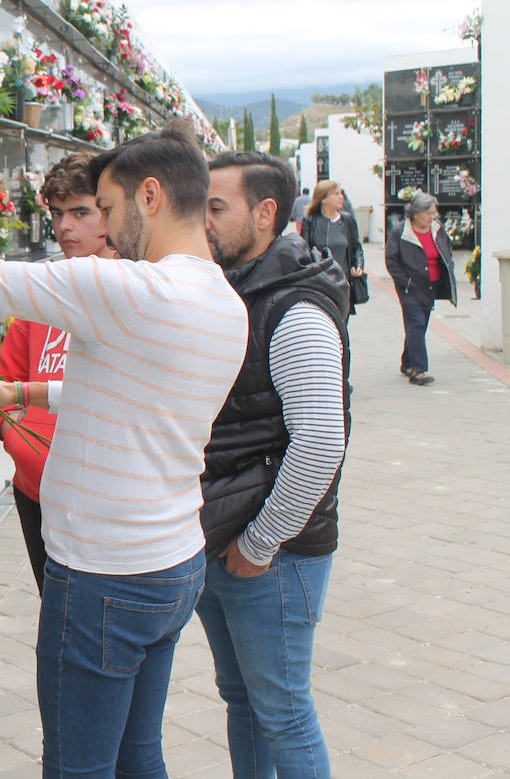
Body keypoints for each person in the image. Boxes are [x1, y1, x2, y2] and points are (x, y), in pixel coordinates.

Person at [0, 118, 247, 778]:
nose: (106, 231)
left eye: (107, 209)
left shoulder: (134, 289)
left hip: (103, 575)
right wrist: (23, 392)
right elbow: (132, 396)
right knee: (138, 753)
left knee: (77, 767)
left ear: (150, 196)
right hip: (173, 562)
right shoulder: (223, 302)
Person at [199, 151, 350, 778]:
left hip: (274, 552)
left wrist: (261, 544)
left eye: (215, 206)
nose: (201, 220)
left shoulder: (295, 309)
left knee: (283, 712)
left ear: (265, 214)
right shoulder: (239, 289)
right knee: (244, 702)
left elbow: (319, 442)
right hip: (227, 532)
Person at [0, 153, 116, 591]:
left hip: (99, 493)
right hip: (34, 486)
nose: (64, 226)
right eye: (57, 213)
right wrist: (13, 431)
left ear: (109, 213)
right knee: (53, 605)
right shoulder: (46, 291)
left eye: (80, 212)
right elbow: (11, 374)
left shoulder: (128, 288)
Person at [385, 192, 456, 385]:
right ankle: (418, 370)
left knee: (420, 325)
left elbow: (446, 251)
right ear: (416, 213)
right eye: (428, 213)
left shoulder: (437, 229)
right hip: (410, 287)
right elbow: (391, 260)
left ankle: (407, 362)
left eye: (434, 213)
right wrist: (405, 282)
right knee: (416, 322)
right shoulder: (401, 232)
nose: (432, 217)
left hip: (431, 285)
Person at [300, 180, 364, 315]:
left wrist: (358, 265)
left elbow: (356, 248)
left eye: (341, 193)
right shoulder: (310, 221)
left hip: (343, 286)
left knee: (341, 329)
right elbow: (303, 252)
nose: (341, 197)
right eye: (336, 194)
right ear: (323, 199)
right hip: (318, 287)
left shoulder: (348, 220)